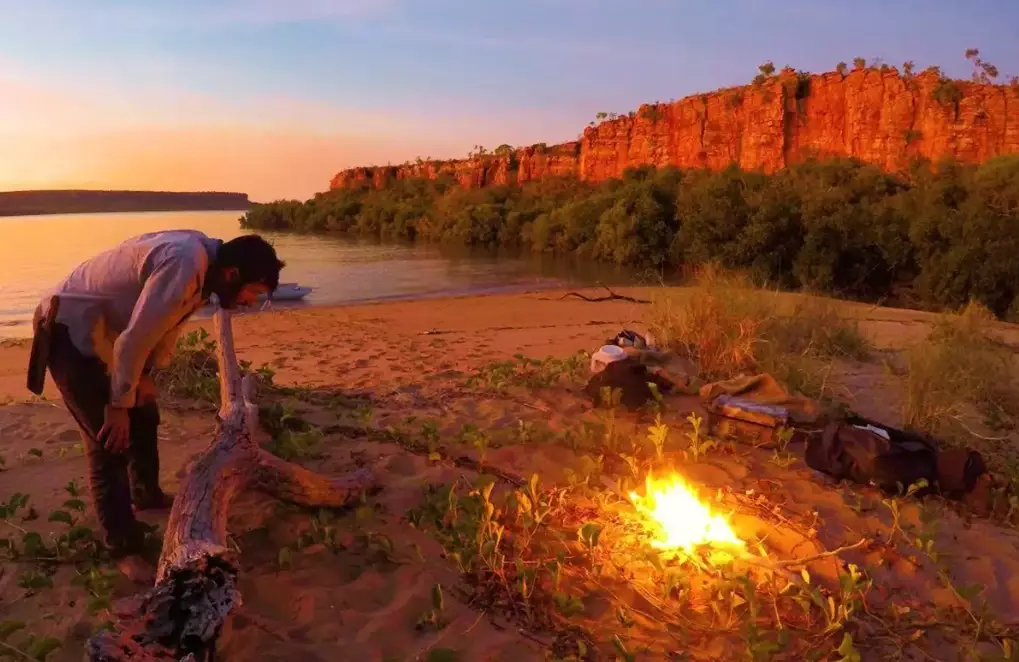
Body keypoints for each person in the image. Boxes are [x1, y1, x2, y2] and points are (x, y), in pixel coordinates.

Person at [27, 231, 285, 582]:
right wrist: (118, 406)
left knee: (145, 413)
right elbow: (132, 341)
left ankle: (145, 496)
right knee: (109, 440)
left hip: (105, 333)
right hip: (69, 330)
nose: (250, 302)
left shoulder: (205, 268)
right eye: (252, 293)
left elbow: (162, 327)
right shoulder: (185, 263)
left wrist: (144, 376)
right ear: (232, 274)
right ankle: (124, 548)